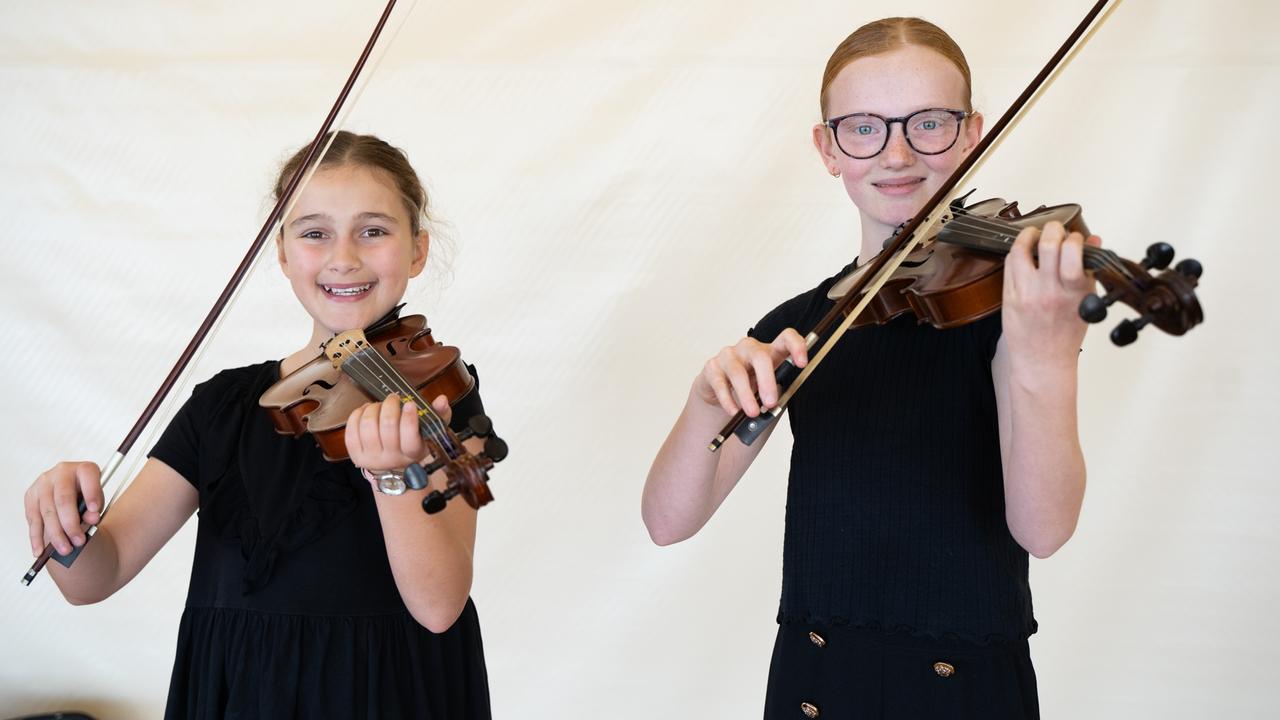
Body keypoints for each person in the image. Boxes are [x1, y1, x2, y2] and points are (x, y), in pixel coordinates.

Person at [642, 17, 1097, 719]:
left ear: (972, 132)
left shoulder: (1011, 310)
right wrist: (706, 400)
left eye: (929, 124)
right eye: (864, 128)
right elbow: (669, 520)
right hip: (818, 674)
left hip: (965, 680)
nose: (897, 154)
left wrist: (1044, 352)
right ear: (827, 148)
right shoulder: (800, 327)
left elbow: (1045, 529)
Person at [24, 131, 493, 719]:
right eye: (315, 233)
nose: (343, 256)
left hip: (386, 693)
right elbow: (97, 575)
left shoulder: (438, 396)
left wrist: (395, 477)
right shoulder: (222, 406)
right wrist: (62, 519)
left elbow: (439, 606)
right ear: (282, 252)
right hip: (240, 695)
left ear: (417, 250)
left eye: (374, 231)